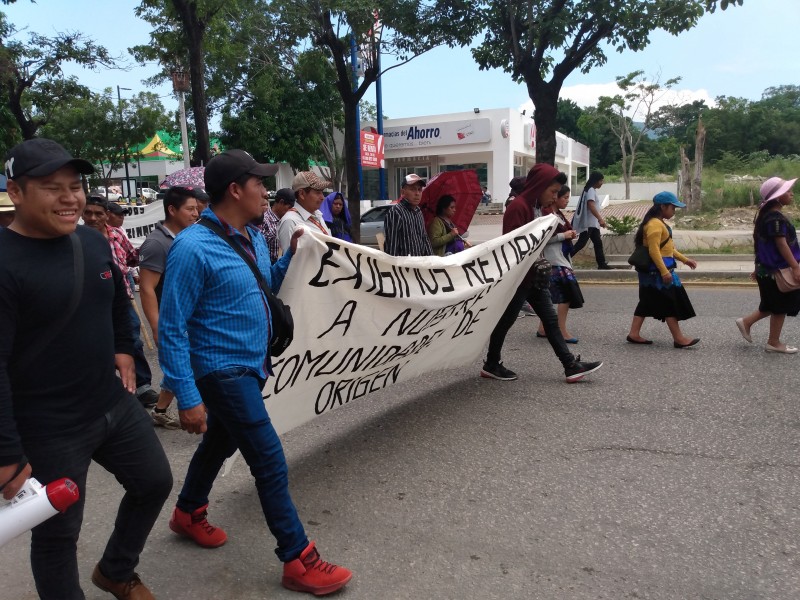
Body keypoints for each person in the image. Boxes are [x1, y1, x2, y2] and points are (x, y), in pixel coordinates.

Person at [158, 149, 353, 596]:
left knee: (219, 442)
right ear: (234, 189)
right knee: (267, 457)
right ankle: (298, 559)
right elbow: (170, 328)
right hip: (222, 371)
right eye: (259, 184)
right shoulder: (191, 247)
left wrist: (294, 258)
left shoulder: (248, 237)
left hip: (252, 365)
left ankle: (188, 513)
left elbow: (262, 285)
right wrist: (187, 397)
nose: (266, 192)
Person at [0, 138, 172, 600]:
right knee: (57, 533)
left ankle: (116, 570)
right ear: (16, 192)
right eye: (51, 187)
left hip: (109, 401)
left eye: (75, 186)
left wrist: (122, 347)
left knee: (155, 481)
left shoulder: (92, 244)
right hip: (47, 425)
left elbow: (117, 298)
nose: (70, 197)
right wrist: (7, 454)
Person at [481, 163, 603, 383]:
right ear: (539, 186)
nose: (555, 197)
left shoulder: (541, 208)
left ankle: (570, 366)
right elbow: (512, 245)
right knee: (506, 322)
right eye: (553, 192)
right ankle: (491, 364)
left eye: (558, 192)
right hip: (519, 279)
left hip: (535, 277)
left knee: (550, 320)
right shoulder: (518, 207)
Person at [82, 195, 159, 408]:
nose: (93, 218)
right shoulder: (76, 238)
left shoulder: (117, 235)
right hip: (91, 304)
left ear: (107, 215)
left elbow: (132, 257)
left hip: (122, 299)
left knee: (132, 341)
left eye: (98, 213)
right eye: (88, 213)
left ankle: (141, 387)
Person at [139, 186, 202, 429]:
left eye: (196, 208)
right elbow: (146, 288)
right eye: (190, 209)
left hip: (189, 319)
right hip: (172, 321)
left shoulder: (187, 237)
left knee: (184, 364)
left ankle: (161, 409)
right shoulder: (157, 244)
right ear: (172, 210)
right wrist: (157, 327)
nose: (195, 213)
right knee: (187, 365)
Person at [626, 191, 700, 347]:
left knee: (646, 302)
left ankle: (633, 334)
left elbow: (668, 249)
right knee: (669, 302)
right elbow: (654, 251)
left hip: (654, 271)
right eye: (672, 208)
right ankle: (679, 339)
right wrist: (664, 272)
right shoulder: (654, 225)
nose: (674, 211)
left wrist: (686, 260)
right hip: (657, 272)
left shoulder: (657, 223)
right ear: (662, 207)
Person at [736, 177, 800, 353]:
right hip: (777, 270)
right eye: (787, 191)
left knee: (774, 304)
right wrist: (795, 267)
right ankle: (773, 342)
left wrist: (758, 267)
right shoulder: (775, 218)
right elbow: (781, 244)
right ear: (778, 197)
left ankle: (747, 323)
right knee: (780, 306)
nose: (791, 193)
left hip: (769, 269)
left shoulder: (768, 216)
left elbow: (762, 245)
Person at [535, 185, 583, 343]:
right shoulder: (547, 216)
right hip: (553, 260)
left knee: (549, 296)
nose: (567, 201)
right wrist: (564, 235)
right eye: (565, 197)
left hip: (561, 259)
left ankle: (543, 328)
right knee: (565, 296)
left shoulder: (559, 215)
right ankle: (561, 331)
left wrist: (567, 235)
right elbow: (543, 238)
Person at [278, 171, 331, 253]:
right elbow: (290, 261)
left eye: (322, 192)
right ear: (302, 194)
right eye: (317, 193)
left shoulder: (318, 215)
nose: (322, 197)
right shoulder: (290, 221)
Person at [384, 173, 433, 256]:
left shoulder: (419, 212)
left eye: (419, 189)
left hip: (420, 265)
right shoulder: (396, 212)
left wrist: (432, 260)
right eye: (413, 189)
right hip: (404, 266)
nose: (417, 193)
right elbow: (391, 247)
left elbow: (424, 239)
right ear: (403, 192)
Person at [571, 171, 611, 269]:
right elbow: (591, 205)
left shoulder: (589, 189)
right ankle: (564, 258)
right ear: (596, 181)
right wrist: (600, 219)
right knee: (581, 243)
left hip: (592, 223)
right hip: (589, 223)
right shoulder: (591, 190)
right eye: (601, 180)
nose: (602, 183)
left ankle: (602, 264)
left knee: (597, 243)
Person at [261, 187, 294, 262]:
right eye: (289, 208)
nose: (291, 212)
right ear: (281, 202)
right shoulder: (264, 221)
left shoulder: (288, 220)